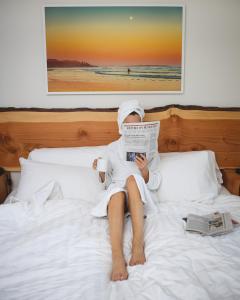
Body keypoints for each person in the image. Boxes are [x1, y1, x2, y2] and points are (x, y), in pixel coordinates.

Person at [91, 100, 161, 281]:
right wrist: (100, 171)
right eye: (128, 126)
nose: (132, 129)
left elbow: (156, 182)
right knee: (116, 192)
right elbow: (104, 183)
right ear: (121, 126)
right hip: (118, 200)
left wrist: (145, 171)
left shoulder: (151, 150)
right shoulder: (112, 148)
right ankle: (117, 257)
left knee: (132, 179)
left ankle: (138, 243)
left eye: (136, 126)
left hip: (138, 196)